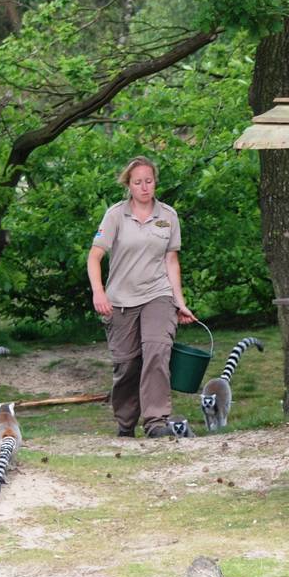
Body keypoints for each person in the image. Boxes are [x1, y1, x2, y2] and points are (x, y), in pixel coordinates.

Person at [87, 156, 196, 438]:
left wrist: (179, 301)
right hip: (120, 300)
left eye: (148, 181)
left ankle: (156, 421)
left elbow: (171, 261)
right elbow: (94, 256)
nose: (144, 187)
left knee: (157, 351)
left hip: (157, 294)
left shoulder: (168, 216)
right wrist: (99, 292)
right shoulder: (115, 215)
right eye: (138, 182)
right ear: (129, 185)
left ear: (155, 182)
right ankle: (126, 423)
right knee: (127, 365)